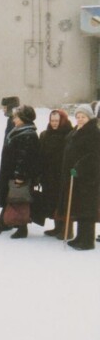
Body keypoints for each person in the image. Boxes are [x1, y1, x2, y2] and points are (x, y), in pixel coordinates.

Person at [0, 105, 41, 239]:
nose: (14, 120)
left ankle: (22, 229)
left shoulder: (28, 134)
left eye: (16, 117)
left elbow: (24, 158)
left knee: (19, 200)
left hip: (18, 174)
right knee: (12, 198)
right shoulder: (20, 130)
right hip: (11, 172)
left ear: (23, 118)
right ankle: (2, 223)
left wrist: (20, 175)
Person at [58, 105, 100, 250]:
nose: (80, 119)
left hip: (88, 178)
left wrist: (79, 167)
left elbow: (93, 156)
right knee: (80, 208)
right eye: (78, 117)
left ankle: (87, 241)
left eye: (83, 117)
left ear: (89, 118)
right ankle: (80, 237)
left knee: (87, 210)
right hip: (75, 177)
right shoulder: (76, 130)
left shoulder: (94, 132)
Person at [39, 109, 73, 238]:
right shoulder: (45, 134)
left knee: (62, 202)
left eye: (57, 121)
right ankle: (57, 227)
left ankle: (65, 230)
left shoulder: (68, 134)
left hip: (62, 174)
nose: (54, 123)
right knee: (52, 201)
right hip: (49, 174)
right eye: (52, 120)